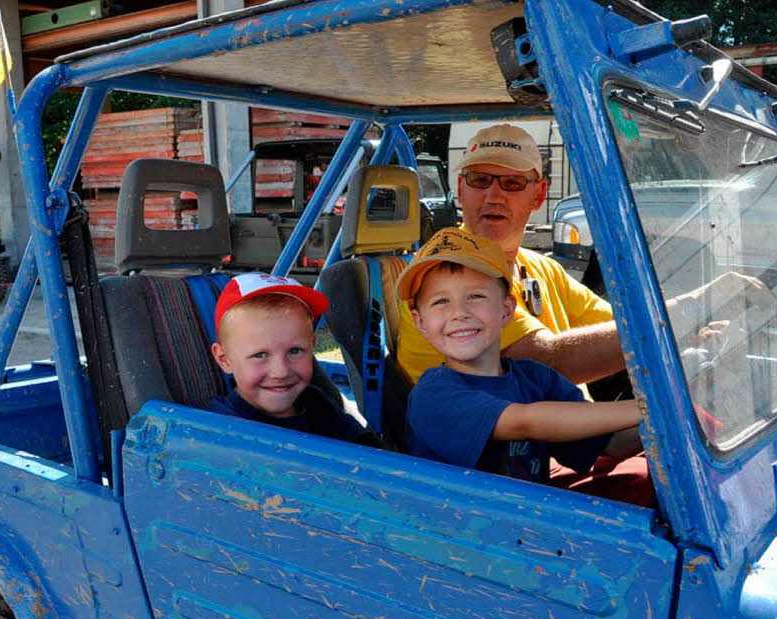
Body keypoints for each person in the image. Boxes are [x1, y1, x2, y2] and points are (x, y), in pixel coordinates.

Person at [399, 228, 643, 485]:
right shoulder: (433, 394)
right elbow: (525, 423)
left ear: (507, 310)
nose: (459, 313)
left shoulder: (536, 379)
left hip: (525, 515)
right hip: (455, 521)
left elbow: (611, 443)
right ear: (420, 322)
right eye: (440, 302)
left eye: (476, 296)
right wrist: (644, 409)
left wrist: (672, 419)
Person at [397, 123, 619, 385]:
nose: (493, 196)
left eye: (512, 183)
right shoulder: (445, 270)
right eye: (479, 180)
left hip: (565, 422)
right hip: (507, 424)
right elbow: (546, 364)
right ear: (461, 188)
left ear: (539, 195)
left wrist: (675, 313)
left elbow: (617, 320)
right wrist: (660, 329)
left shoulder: (541, 268)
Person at [209, 272, 380, 446]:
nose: (281, 372)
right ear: (224, 360)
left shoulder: (316, 403)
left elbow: (369, 450)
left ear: (312, 346)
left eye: (295, 351)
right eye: (260, 355)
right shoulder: (220, 431)